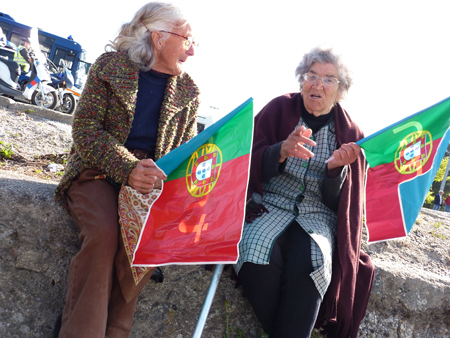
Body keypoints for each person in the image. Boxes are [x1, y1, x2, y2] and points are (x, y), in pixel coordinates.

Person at [53, 2, 199, 337]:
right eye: (187, 40)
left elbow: (185, 152)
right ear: (159, 37)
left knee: (141, 248)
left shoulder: (189, 91)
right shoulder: (110, 66)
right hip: (97, 172)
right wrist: (128, 167)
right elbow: (86, 130)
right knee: (104, 234)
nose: (191, 52)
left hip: (148, 186)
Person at [234, 47, 375, 338]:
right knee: (255, 252)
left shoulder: (351, 133)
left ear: (341, 90)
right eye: (312, 75)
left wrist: (335, 171)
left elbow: (345, 204)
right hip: (268, 204)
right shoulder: (277, 109)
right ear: (301, 80)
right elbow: (245, 159)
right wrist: (279, 152)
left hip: (317, 215)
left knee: (314, 261)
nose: (317, 84)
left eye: (329, 79)